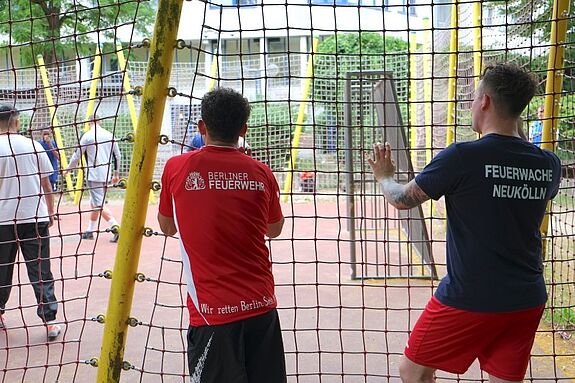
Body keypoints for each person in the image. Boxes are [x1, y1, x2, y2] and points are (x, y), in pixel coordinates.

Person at [367, 63, 561, 382]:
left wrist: (385, 176)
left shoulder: (462, 156)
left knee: (412, 371)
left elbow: (401, 199)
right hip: (527, 297)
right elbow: (516, 156)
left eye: (473, 97)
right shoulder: (548, 164)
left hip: (471, 295)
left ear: (484, 102)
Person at [157, 88, 286, 383]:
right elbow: (274, 229)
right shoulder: (261, 172)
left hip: (212, 314)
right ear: (243, 129)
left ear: (202, 127)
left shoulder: (177, 168)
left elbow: (167, 226)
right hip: (261, 307)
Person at [0, 105, 62, 340]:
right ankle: (49, 322)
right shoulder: (34, 146)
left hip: (3, 220)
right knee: (40, 269)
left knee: (2, 270)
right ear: (16, 122)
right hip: (34, 217)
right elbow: (47, 185)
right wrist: (51, 212)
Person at [63, 115, 121, 243]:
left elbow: (76, 155)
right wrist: (116, 173)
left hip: (93, 174)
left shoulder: (88, 136)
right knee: (95, 202)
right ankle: (90, 230)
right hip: (106, 173)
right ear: (99, 121)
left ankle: (116, 227)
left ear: (89, 122)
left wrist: (68, 169)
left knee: (98, 203)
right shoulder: (109, 135)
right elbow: (117, 155)